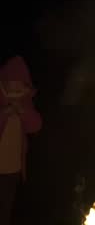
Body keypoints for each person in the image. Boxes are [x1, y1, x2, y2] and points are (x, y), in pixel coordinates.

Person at [0, 55, 42, 225]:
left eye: (21, 84)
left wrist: (23, 112)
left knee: (5, 211)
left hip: (12, 170)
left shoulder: (25, 102)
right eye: (13, 83)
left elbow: (36, 125)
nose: (16, 88)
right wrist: (4, 114)